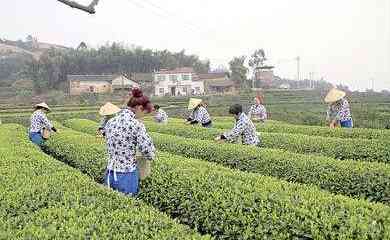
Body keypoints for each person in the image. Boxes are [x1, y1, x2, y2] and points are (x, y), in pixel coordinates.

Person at [103, 88, 156, 196]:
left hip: (110, 173)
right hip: (127, 175)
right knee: (128, 206)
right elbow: (148, 151)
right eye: (144, 113)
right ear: (140, 108)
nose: (142, 117)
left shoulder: (110, 122)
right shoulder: (136, 124)